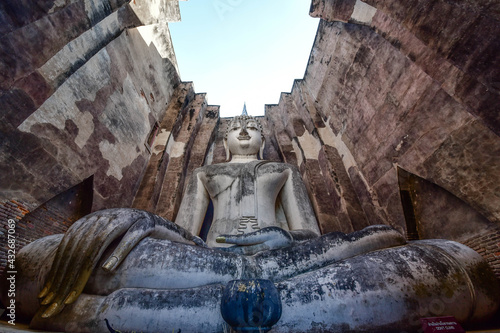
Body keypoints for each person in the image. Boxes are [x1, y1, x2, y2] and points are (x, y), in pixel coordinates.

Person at [12, 114, 497, 333]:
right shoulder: (207, 172)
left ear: (264, 140)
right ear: (223, 141)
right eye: (234, 128)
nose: (244, 131)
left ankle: (133, 316)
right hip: (202, 260)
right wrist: (138, 221)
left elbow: (309, 232)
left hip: (291, 257)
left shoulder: (282, 170)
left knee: (409, 247)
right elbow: (182, 228)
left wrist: (280, 237)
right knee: (37, 261)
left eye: (253, 128)